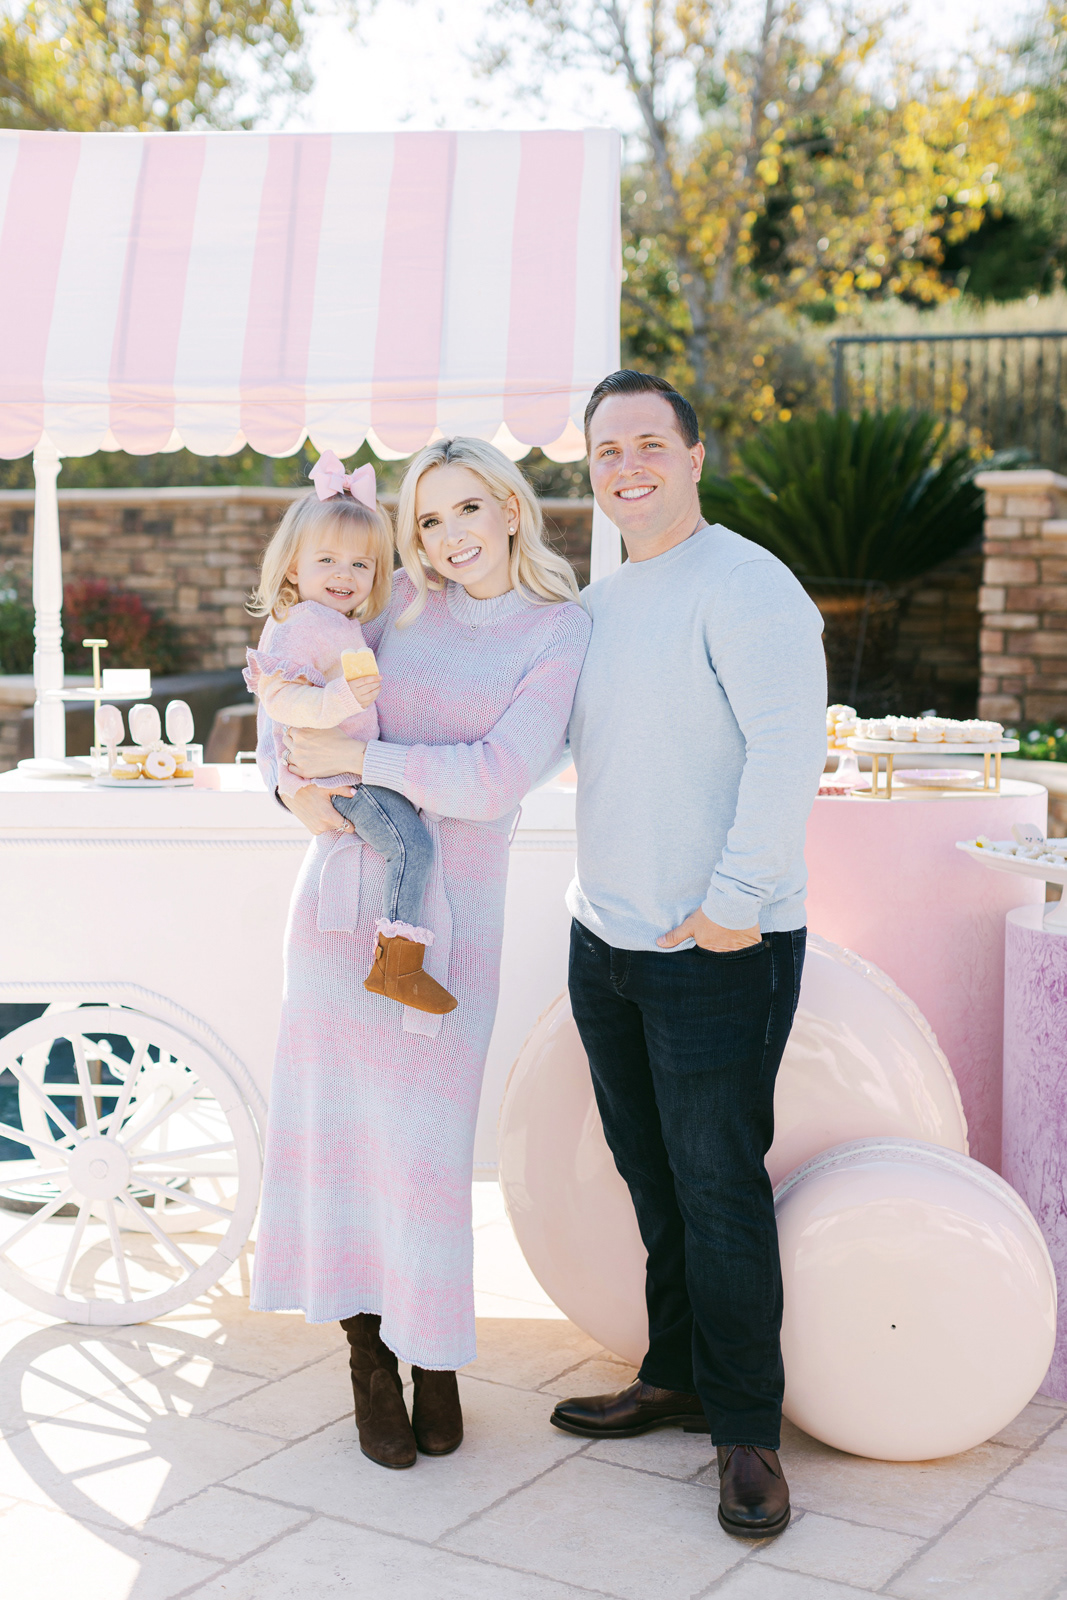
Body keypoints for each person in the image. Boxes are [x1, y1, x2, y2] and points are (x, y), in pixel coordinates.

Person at [251, 436, 590, 1472]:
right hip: (338, 916)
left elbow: (494, 778)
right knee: (346, 1142)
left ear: (510, 509)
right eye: (428, 520)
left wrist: (364, 758)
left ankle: (432, 1354)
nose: (448, 537)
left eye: (466, 510)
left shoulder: (559, 628)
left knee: (427, 1156)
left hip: (454, 929)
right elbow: (288, 695)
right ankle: (367, 1359)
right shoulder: (395, 605)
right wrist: (294, 789)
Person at [551, 371, 826, 1539]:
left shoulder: (747, 584)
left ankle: (746, 1431)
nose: (627, 466)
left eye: (648, 443)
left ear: (695, 455)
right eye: (606, 450)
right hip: (605, 941)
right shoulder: (597, 604)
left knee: (717, 1187)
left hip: (716, 944)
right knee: (652, 1176)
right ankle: (674, 1375)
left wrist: (730, 907)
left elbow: (786, 751)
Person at [245, 451, 456, 1016]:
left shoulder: (336, 621)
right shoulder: (299, 624)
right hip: (339, 778)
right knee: (410, 845)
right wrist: (341, 700)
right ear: (293, 567)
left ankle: (397, 961)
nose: (345, 575)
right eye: (328, 560)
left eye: (361, 564)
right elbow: (279, 700)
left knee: (408, 841)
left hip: (350, 768)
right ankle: (398, 964)